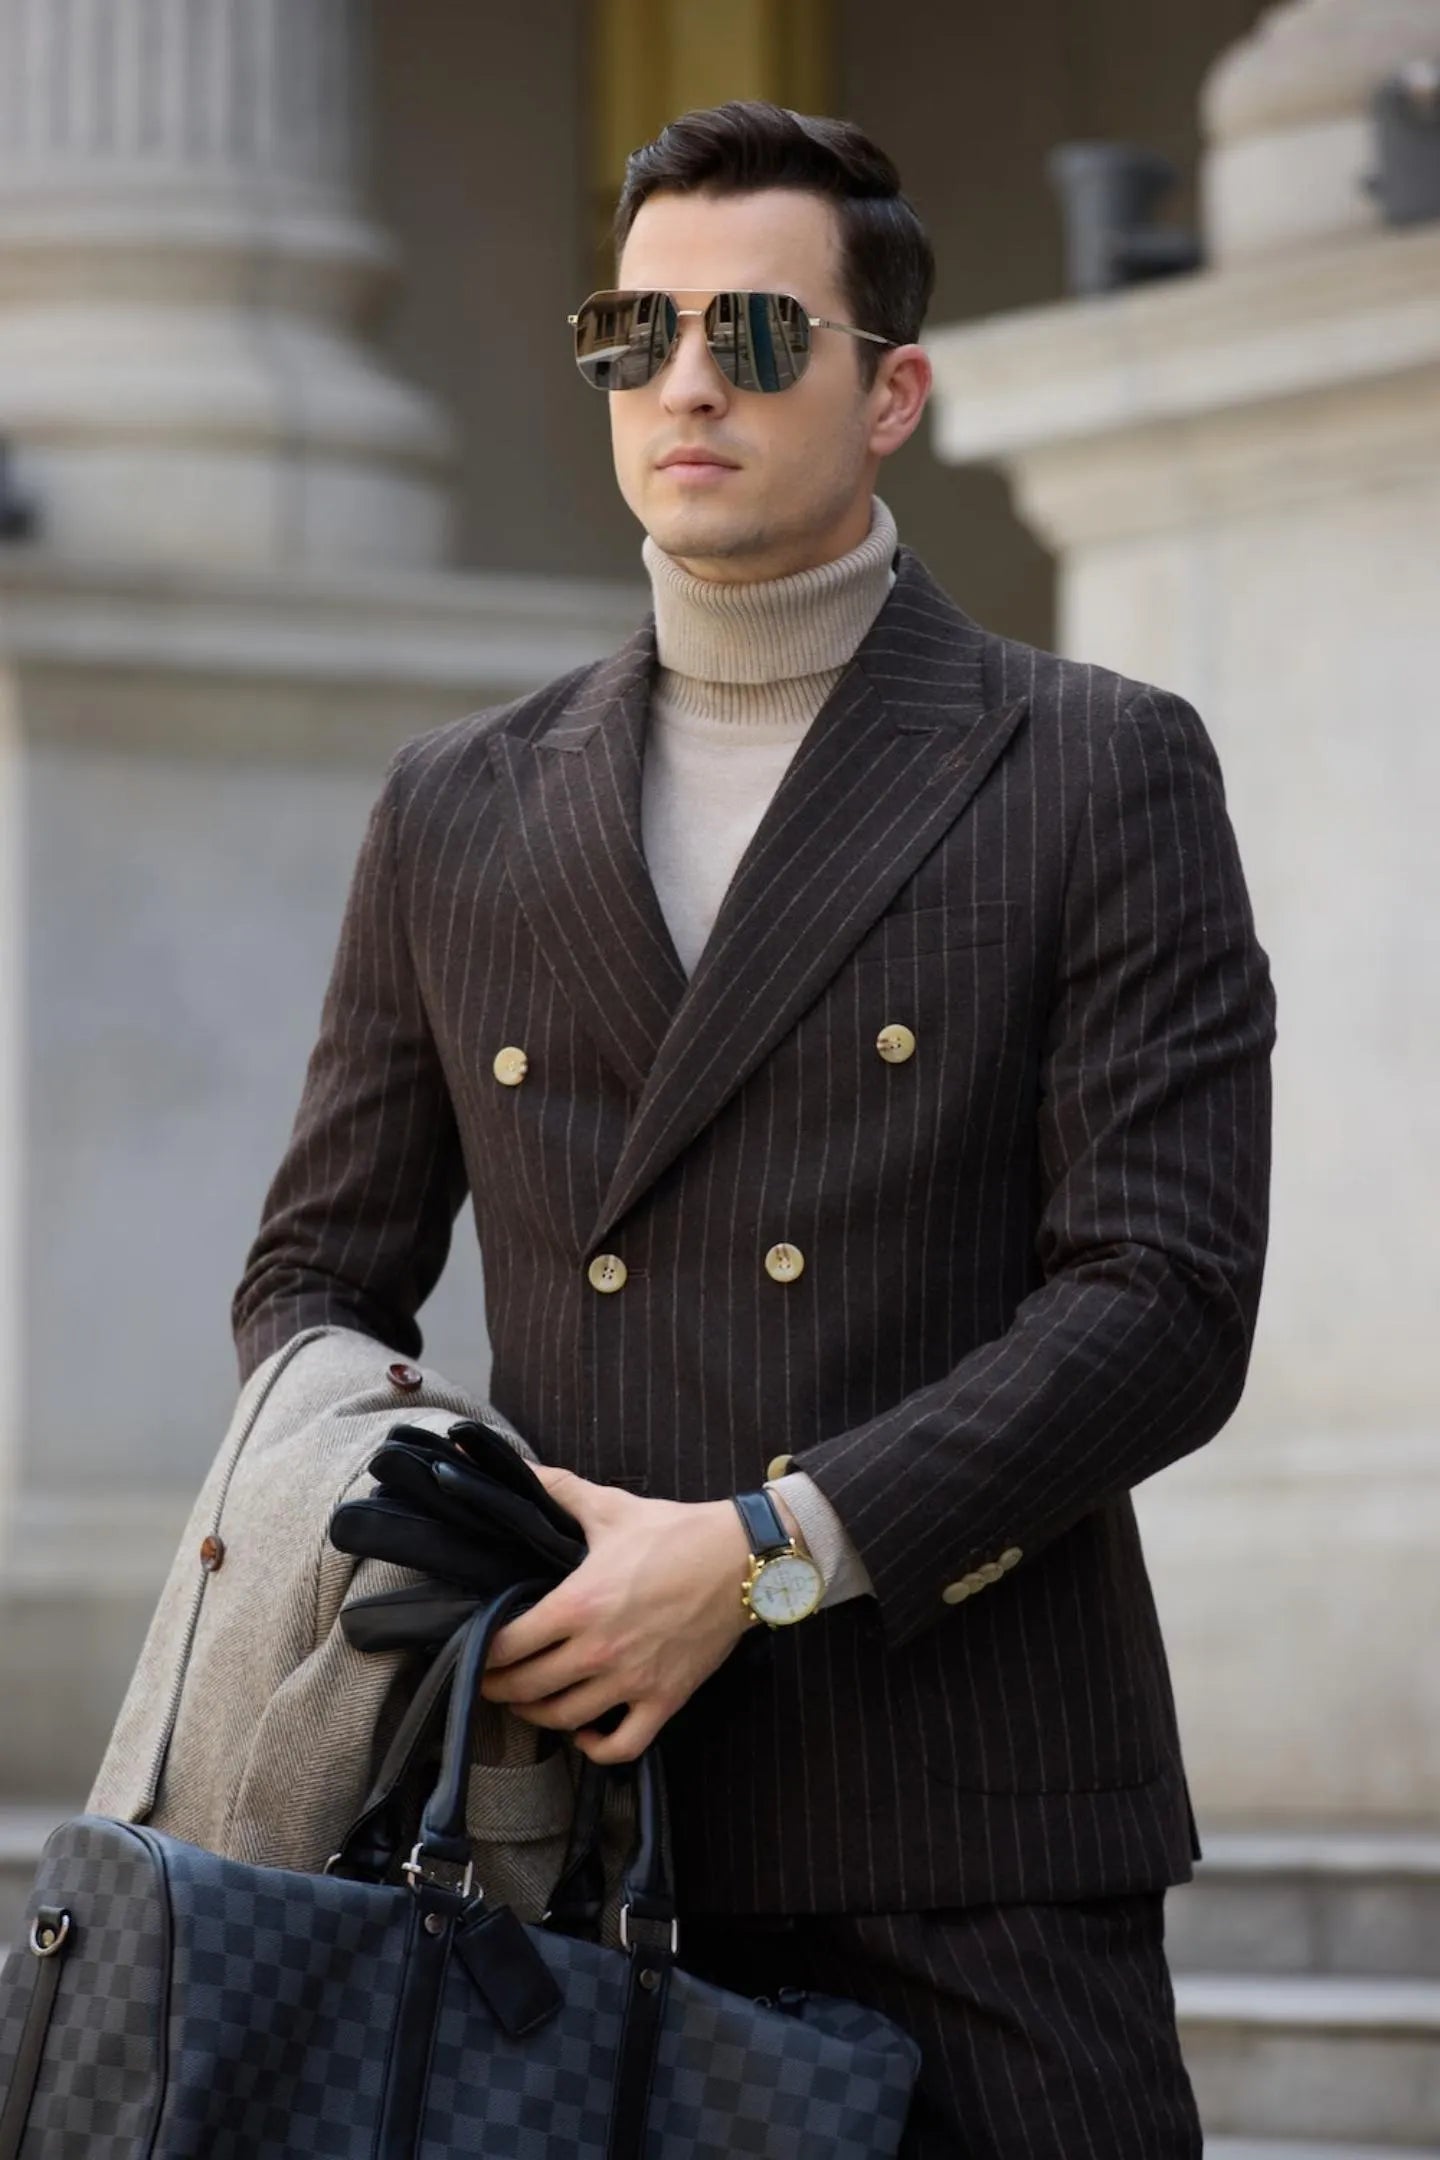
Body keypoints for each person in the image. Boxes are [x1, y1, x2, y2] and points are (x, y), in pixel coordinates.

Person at [231, 99, 1276, 2158]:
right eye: (637, 331)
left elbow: (1164, 1298)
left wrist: (761, 1557)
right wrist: (469, 1540)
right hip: (563, 1833)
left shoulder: (1091, 767)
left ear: (894, 393)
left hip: (975, 1832)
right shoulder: (460, 803)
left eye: (759, 333)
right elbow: (314, 1282)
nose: (687, 380)